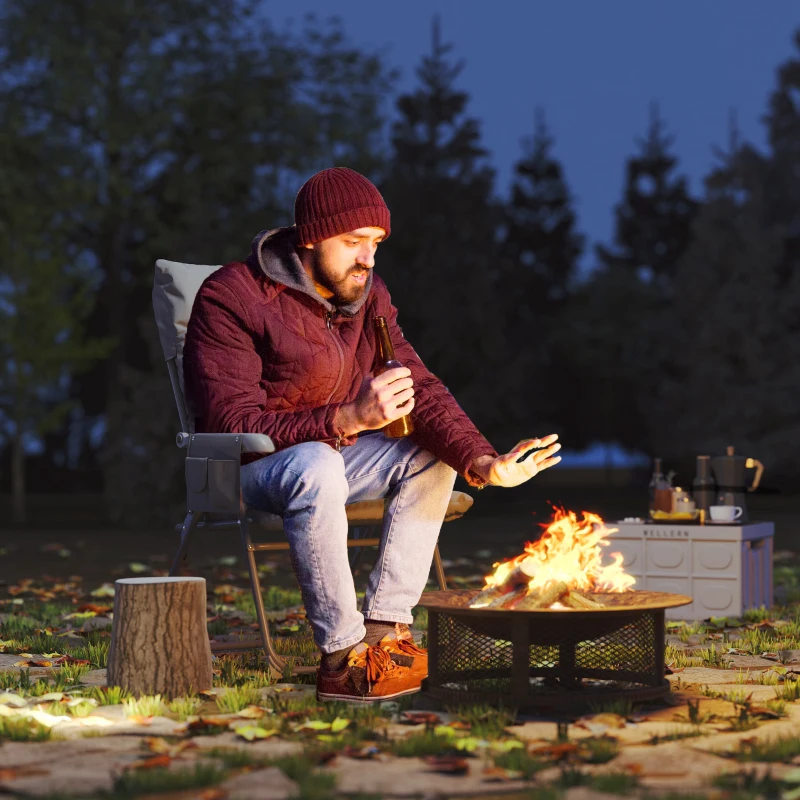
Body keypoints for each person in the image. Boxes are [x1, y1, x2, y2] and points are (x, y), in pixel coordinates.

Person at [183, 167, 562, 703]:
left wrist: (483, 462)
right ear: (310, 236)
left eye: (377, 244)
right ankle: (342, 658)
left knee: (432, 457)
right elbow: (230, 423)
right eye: (353, 242)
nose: (368, 259)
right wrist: (347, 420)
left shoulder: (367, 296)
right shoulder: (232, 296)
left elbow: (420, 388)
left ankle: (387, 635)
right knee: (314, 462)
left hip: (334, 457)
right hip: (247, 469)